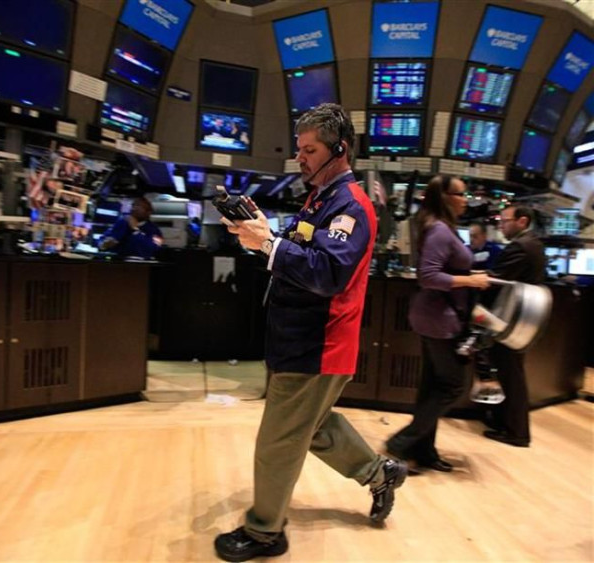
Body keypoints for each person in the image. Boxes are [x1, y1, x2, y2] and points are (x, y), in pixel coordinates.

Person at [214, 103, 407, 563]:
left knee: (278, 442)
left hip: (319, 345)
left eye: (309, 149)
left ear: (339, 151)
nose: (300, 157)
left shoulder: (351, 206)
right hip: (299, 340)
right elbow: (301, 250)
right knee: (313, 426)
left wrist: (267, 243)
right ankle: (380, 474)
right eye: (299, 149)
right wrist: (263, 234)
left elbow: (327, 273)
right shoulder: (319, 199)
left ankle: (265, 533)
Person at [385, 175, 490, 473]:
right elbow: (428, 276)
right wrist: (470, 279)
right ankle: (401, 443)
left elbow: (444, 269)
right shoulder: (441, 231)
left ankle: (424, 451)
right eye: (461, 194)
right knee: (453, 385)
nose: (465, 199)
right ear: (445, 196)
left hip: (435, 317)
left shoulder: (440, 227)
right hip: (438, 319)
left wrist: (474, 273)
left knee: (433, 385)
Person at [483, 205, 546, 447]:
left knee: (511, 375)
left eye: (505, 220)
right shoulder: (534, 243)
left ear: (522, 221)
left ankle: (516, 432)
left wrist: (475, 277)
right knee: (512, 372)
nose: (501, 225)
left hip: (513, 318)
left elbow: (499, 279)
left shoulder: (521, 246)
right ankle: (504, 424)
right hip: (522, 318)